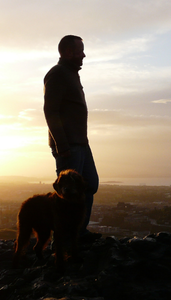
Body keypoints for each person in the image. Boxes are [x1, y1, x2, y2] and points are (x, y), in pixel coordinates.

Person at [43, 35, 101, 242]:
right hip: (69, 145)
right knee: (68, 194)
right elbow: (51, 111)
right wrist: (62, 145)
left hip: (80, 144)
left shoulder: (70, 74)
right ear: (68, 52)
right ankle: (63, 242)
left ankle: (77, 232)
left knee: (89, 185)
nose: (83, 54)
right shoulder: (58, 74)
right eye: (80, 51)